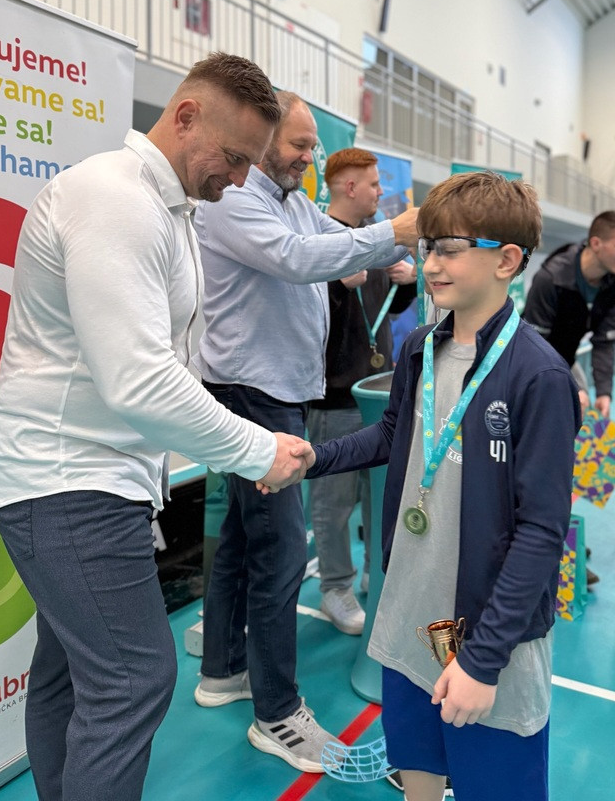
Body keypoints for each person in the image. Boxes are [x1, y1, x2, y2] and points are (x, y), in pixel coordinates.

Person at [0, 53, 315, 801]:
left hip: (93, 475)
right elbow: (137, 376)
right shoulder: (116, 200)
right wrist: (256, 449)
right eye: (233, 158)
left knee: (71, 672)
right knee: (134, 676)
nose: (238, 180)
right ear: (186, 116)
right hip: (66, 479)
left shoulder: (169, 207)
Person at [307, 171, 581, 801]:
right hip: (411, 609)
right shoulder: (419, 350)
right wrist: (312, 459)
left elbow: (541, 532)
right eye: (427, 247)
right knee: (419, 771)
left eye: (451, 249)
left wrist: (483, 660)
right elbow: (392, 436)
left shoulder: (538, 376)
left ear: (506, 260)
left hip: (490, 633)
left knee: (494, 782)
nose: (431, 264)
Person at [192, 91, 419, 771]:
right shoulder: (237, 200)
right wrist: (397, 229)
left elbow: (326, 243)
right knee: (283, 551)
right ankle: (277, 714)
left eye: (313, 146)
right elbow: (297, 258)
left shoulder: (291, 200)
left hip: (277, 392)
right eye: (299, 144)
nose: (309, 156)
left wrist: (391, 248)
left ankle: (223, 670)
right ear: (261, 140)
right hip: (252, 395)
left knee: (244, 538)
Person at [307, 148, 417, 635]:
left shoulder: (377, 241)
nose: (380, 192)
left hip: (380, 392)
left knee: (382, 494)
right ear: (349, 187)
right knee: (333, 503)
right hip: (335, 396)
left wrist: (407, 283)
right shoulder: (319, 242)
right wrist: (335, 286)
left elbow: (388, 310)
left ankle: (377, 570)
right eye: (373, 184)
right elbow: (304, 318)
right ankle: (335, 585)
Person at [523, 210, 615, 419]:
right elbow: (534, 345)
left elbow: (604, 342)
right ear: (596, 243)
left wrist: (604, 392)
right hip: (530, 362)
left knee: (585, 410)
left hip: (566, 357)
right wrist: (569, 385)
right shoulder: (550, 279)